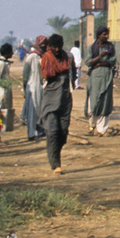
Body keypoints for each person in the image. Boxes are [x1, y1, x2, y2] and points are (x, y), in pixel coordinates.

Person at [38, 34, 74, 173]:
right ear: (49, 47)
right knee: (52, 132)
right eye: (54, 47)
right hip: (50, 101)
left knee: (63, 133)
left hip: (65, 100)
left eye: (59, 46)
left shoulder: (68, 58)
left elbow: (73, 76)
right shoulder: (45, 59)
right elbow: (42, 79)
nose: (57, 49)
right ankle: (55, 164)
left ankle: (55, 153)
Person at [84, 27, 117, 136]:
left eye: (107, 34)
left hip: (107, 76)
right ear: (99, 35)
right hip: (95, 77)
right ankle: (92, 125)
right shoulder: (91, 48)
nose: (106, 36)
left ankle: (101, 129)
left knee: (105, 102)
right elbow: (88, 62)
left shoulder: (110, 47)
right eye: (104, 34)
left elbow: (112, 61)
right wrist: (100, 57)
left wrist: (99, 63)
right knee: (94, 102)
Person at [21, 37, 44, 142]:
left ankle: (38, 130)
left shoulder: (43, 56)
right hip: (32, 86)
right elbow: (25, 74)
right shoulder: (32, 57)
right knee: (32, 110)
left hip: (40, 86)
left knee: (39, 110)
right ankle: (31, 133)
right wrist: (25, 86)